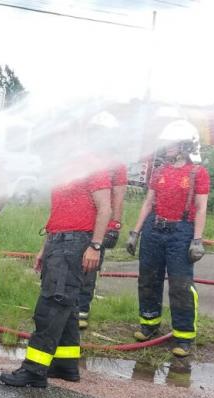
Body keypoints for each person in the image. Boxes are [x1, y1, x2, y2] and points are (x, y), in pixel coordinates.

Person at [0, 159, 112, 387]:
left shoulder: (92, 164)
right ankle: (65, 365)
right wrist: (46, 247)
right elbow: (60, 212)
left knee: (52, 305)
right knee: (67, 306)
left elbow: (105, 208)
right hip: (58, 241)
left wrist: (95, 246)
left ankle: (34, 370)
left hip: (75, 242)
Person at [126, 119, 209, 357]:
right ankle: (149, 323)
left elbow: (201, 208)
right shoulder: (160, 170)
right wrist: (135, 232)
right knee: (148, 278)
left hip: (181, 232)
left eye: (172, 142)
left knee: (180, 284)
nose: (167, 146)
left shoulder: (197, 173)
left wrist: (197, 240)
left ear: (186, 145)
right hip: (154, 229)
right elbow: (148, 202)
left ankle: (183, 335)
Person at [77, 111, 128, 330]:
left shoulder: (116, 164)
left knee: (89, 268)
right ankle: (67, 307)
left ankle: (82, 310)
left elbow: (118, 196)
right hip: (79, 220)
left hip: (99, 222)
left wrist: (115, 225)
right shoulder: (83, 157)